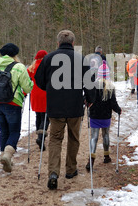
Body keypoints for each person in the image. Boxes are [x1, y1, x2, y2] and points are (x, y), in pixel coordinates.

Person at [35, 30, 95, 190]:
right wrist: (90, 99)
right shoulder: (81, 59)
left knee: (55, 139)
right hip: (75, 106)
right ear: (73, 43)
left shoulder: (48, 59)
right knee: (73, 138)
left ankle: (53, 173)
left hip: (55, 107)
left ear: (58, 43)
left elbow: (39, 80)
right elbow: (89, 83)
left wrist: (50, 89)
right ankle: (71, 169)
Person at [0, 43, 33, 173]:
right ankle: (8, 155)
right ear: (15, 54)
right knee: (14, 131)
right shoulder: (19, 67)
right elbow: (27, 88)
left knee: (3, 131)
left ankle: (5, 158)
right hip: (13, 103)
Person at [86, 61, 121, 172]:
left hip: (95, 115)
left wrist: (86, 103)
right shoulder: (110, 87)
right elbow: (113, 103)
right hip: (106, 116)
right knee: (105, 135)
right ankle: (106, 157)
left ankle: (91, 160)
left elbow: (87, 99)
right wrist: (118, 110)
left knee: (94, 137)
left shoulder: (93, 86)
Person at [27, 50, 49, 150]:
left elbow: (27, 81)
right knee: (46, 117)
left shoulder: (31, 68)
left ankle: (39, 135)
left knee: (38, 116)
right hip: (46, 94)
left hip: (35, 94)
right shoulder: (48, 67)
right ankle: (41, 137)